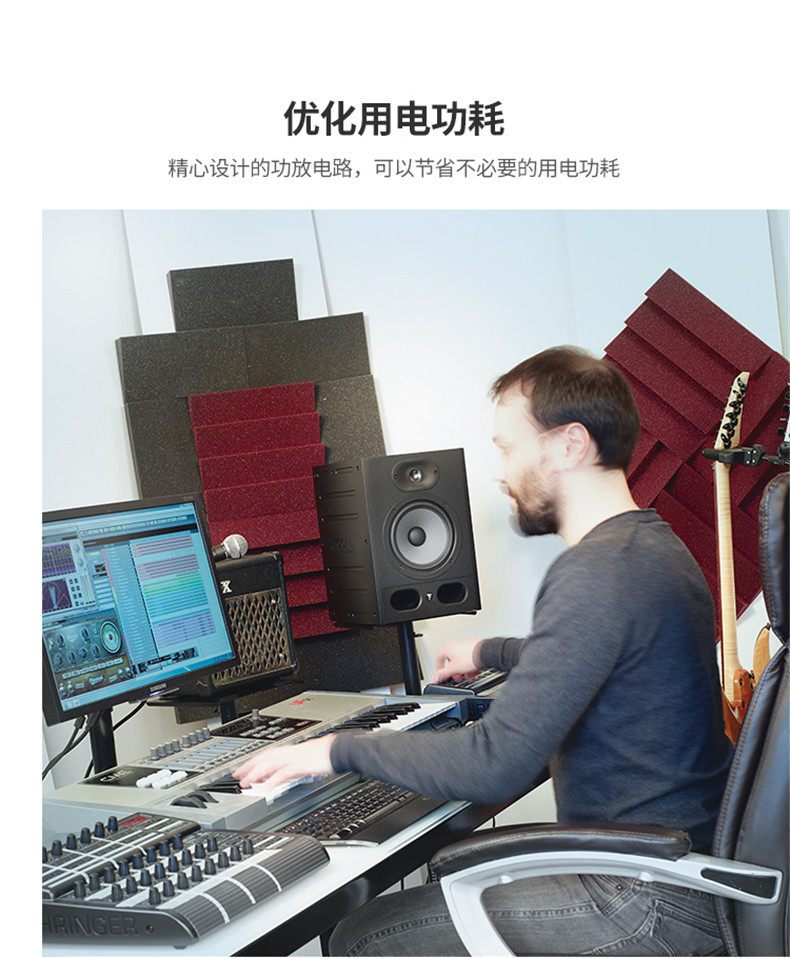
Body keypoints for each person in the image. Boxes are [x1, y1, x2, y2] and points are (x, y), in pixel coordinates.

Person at [234, 346, 732, 956]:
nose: (500, 473)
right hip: (680, 871)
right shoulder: (651, 548)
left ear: (570, 445)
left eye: (507, 448)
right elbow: (596, 654)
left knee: (362, 935)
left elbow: (494, 763)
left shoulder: (594, 574)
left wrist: (335, 750)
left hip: (643, 900)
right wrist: (489, 650)